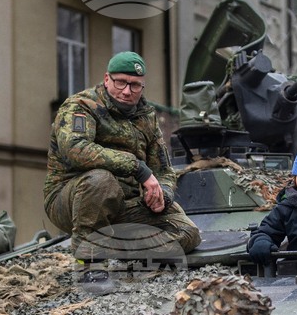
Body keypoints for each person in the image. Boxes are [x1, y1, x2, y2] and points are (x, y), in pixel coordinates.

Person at [45, 51, 201, 259]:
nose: (127, 91)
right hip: (73, 201)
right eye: (121, 83)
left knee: (188, 233)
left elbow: (163, 169)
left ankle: (120, 249)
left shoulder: (147, 116)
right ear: (107, 79)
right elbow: (76, 149)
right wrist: (137, 168)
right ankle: (90, 264)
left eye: (135, 85)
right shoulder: (82, 106)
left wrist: (162, 193)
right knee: (101, 181)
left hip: (125, 204)